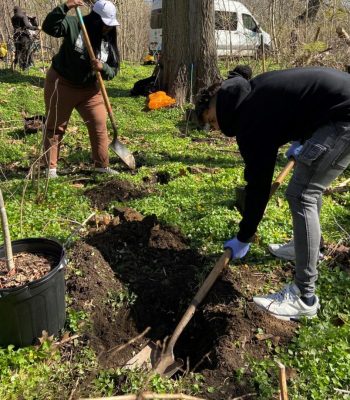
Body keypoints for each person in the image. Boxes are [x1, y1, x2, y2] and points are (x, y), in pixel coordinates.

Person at [195, 67, 350, 321]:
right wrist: (303, 140)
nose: (216, 127)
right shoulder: (252, 90)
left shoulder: (249, 120)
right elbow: (303, 102)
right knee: (309, 184)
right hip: (335, 112)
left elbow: (259, 185)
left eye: (211, 120)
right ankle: (305, 248)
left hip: (343, 119)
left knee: (302, 195)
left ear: (218, 102)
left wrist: (244, 236)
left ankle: (304, 297)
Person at [42, 0, 121, 178]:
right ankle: (50, 169)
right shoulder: (74, 24)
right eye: (105, 24)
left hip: (90, 89)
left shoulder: (108, 39)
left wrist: (103, 68)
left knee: (99, 124)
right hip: (62, 83)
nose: (108, 28)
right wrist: (65, 7)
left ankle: (101, 166)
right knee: (56, 127)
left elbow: (113, 69)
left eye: (110, 25)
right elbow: (49, 27)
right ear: (95, 19)